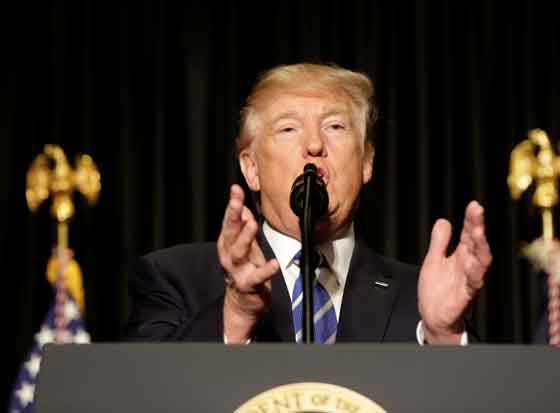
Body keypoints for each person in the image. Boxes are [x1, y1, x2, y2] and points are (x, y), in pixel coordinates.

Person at [124, 63, 492, 345]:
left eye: (335, 127)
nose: (314, 145)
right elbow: (146, 395)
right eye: (288, 128)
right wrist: (236, 314)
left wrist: (444, 336)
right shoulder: (175, 278)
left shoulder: (422, 298)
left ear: (366, 163)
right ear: (251, 168)